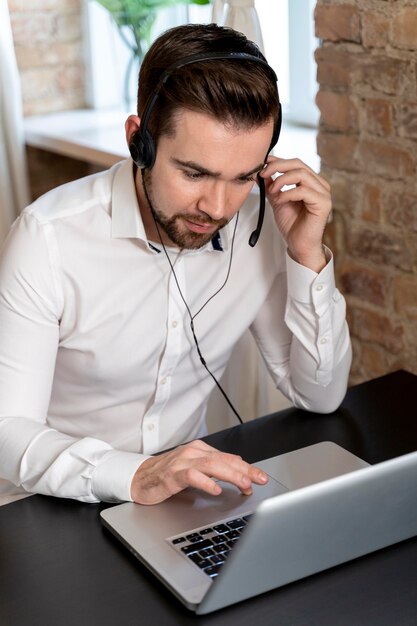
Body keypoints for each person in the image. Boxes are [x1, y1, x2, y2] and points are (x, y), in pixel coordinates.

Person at [0, 24, 351, 506]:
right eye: (194, 173)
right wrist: (137, 474)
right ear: (138, 141)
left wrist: (307, 256)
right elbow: (8, 430)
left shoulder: (259, 224)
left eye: (243, 177)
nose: (218, 207)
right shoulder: (47, 239)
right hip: (46, 507)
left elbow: (320, 396)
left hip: (182, 501)